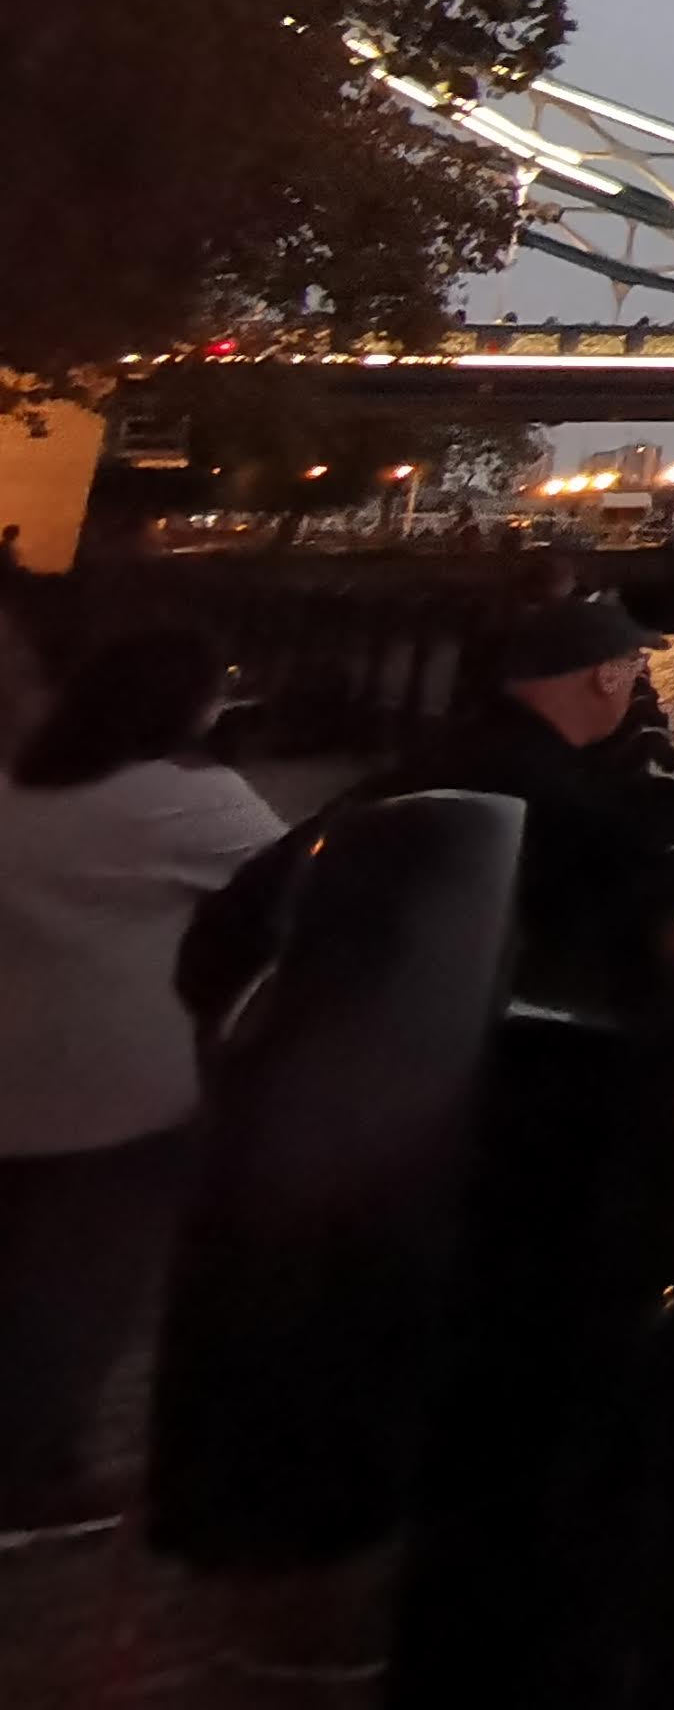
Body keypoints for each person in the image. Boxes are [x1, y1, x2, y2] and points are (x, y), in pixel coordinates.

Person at [0, 629, 290, 1540]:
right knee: (79, 1297)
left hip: (16, 1071)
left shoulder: (18, 784)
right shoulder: (190, 801)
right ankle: (24, 1487)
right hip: (120, 1089)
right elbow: (311, 886)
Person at [381, 596, 674, 978]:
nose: (639, 682)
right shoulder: (520, 764)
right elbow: (600, 836)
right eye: (635, 666)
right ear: (605, 677)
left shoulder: (499, 738)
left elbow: (600, 807)